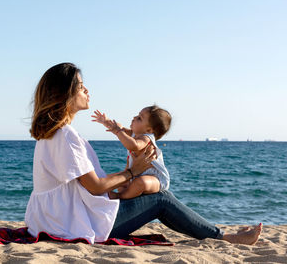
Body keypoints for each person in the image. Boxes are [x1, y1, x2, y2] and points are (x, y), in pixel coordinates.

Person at [24, 62, 262, 245]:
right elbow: (95, 186)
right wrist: (132, 172)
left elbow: (89, 188)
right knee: (161, 198)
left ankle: (220, 234)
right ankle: (225, 238)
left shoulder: (53, 133)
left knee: (150, 195)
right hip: (73, 225)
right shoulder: (65, 135)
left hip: (55, 220)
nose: (87, 89)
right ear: (64, 93)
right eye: (80, 85)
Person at [91, 106, 171, 199]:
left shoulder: (146, 138)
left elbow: (133, 145)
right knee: (122, 182)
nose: (134, 118)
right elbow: (120, 128)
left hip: (156, 179)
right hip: (137, 174)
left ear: (149, 130)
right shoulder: (135, 134)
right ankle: (124, 194)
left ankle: (119, 196)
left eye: (139, 118)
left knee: (141, 182)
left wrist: (117, 131)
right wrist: (106, 121)